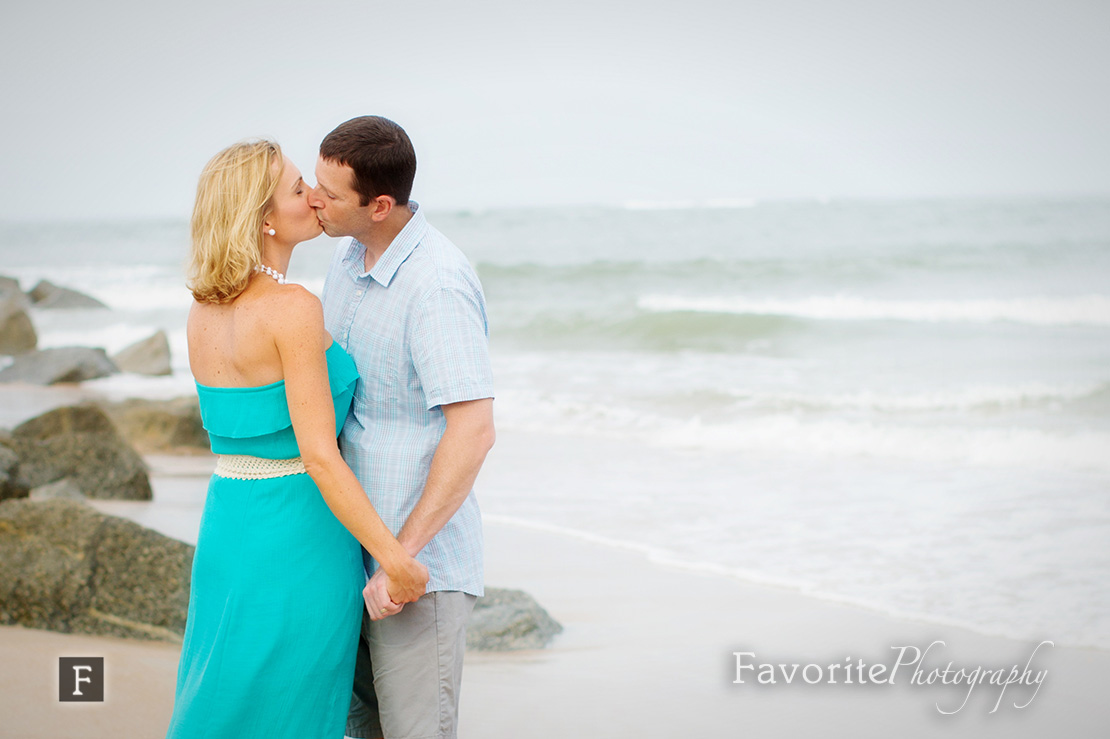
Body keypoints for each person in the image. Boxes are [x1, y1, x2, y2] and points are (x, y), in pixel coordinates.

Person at [165, 139, 429, 739]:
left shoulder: (202, 311)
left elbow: (240, 439)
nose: (313, 196)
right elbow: (317, 455)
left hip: (229, 530)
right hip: (298, 541)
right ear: (263, 217)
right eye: (296, 188)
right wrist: (396, 559)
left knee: (223, 696)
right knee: (291, 711)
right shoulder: (292, 308)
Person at [309, 116, 495, 739]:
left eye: (330, 195)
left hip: (417, 569)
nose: (315, 201)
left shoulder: (437, 284)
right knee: (359, 730)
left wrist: (400, 557)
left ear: (380, 205)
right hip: (351, 552)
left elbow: (473, 431)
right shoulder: (344, 255)